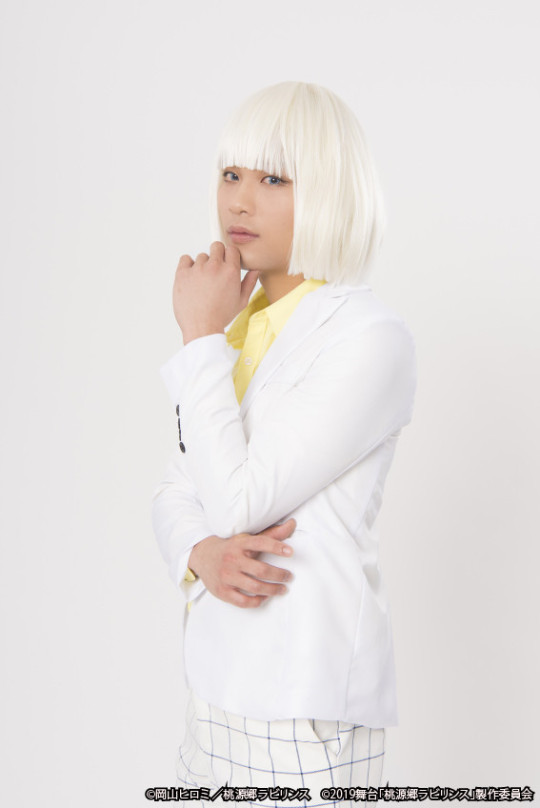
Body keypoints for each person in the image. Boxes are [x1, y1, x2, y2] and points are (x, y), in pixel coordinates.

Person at [152, 81, 416, 806]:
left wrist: (199, 336)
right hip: (214, 686)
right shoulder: (238, 327)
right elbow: (174, 490)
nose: (239, 202)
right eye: (231, 174)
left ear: (330, 191)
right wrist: (199, 554)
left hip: (304, 697)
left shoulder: (369, 338)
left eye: (273, 179)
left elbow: (237, 501)